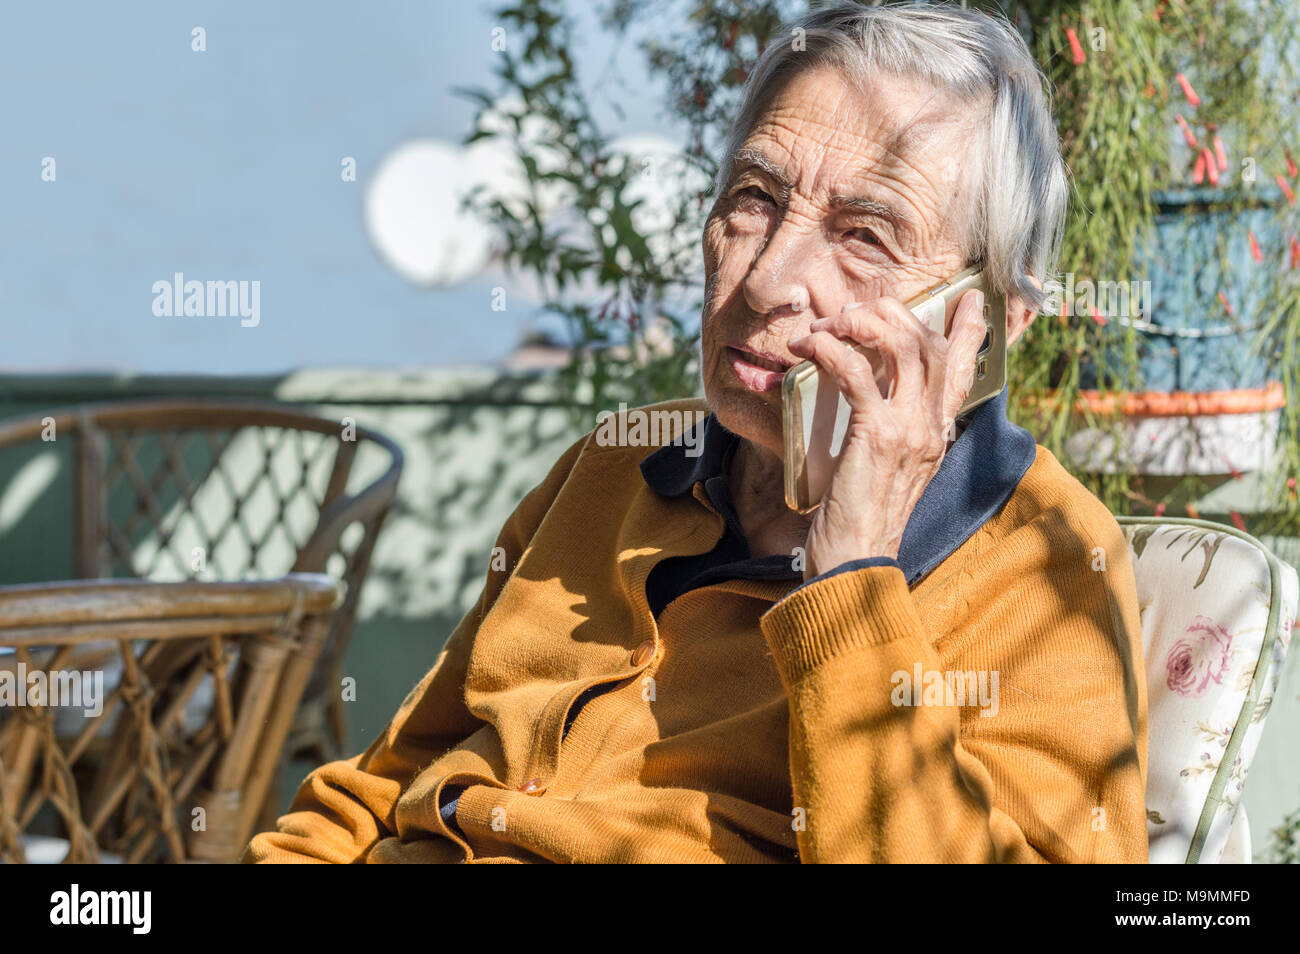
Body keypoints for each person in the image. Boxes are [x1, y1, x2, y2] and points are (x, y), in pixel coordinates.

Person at [245, 0, 1148, 864]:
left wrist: (854, 576)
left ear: (984, 325)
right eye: (754, 197)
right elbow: (382, 783)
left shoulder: (1046, 563)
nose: (765, 280)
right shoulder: (614, 467)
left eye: (864, 235)